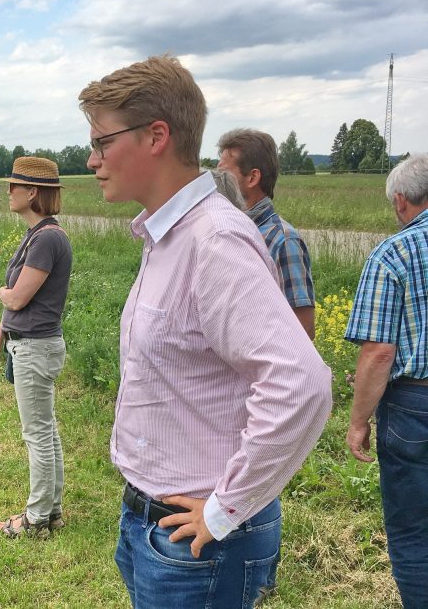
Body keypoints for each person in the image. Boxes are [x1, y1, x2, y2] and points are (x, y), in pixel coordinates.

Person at [78, 55, 332, 608]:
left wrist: (224, 509)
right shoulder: (168, 236)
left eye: (102, 142)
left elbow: (302, 382)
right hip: (155, 525)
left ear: (156, 137)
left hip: (201, 547)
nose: (92, 159)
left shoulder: (214, 241)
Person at [344, 154, 428, 609]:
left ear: (401, 200)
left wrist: (359, 420)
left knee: (414, 531)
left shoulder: (395, 253)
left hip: (416, 406)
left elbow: (379, 352)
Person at [0, 156, 73, 538]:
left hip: (36, 348)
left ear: (33, 192)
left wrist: (2, 293)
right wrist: (0, 334)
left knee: (37, 434)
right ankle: (51, 511)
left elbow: (18, 297)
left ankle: (37, 517)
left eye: (15, 186)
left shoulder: (47, 238)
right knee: (45, 430)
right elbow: (16, 304)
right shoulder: (36, 235)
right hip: (31, 345)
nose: (8, 191)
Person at [217, 129, 316, 339]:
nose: (218, 183)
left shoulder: (283, 240)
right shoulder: (227, 231)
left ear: (253, 177)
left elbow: (303, 329)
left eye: (225, 175)